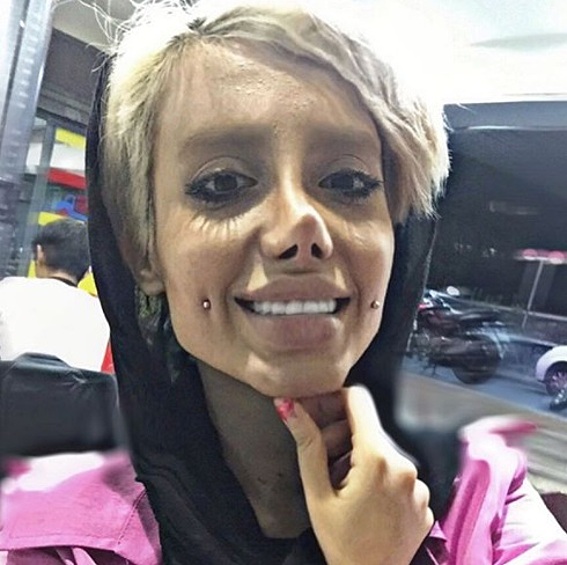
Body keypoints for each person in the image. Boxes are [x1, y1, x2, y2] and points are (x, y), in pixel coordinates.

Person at [1, 1, 566, 563]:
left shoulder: (490, 498)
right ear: (143, 252)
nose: (299, 226)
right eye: (223, 183)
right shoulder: (45, 537)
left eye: (347, 181)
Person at [0, 218, 109, 371]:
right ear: (88, 272)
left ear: (40, 253)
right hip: (75, 387)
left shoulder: (8, 290)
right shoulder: (103, 314)